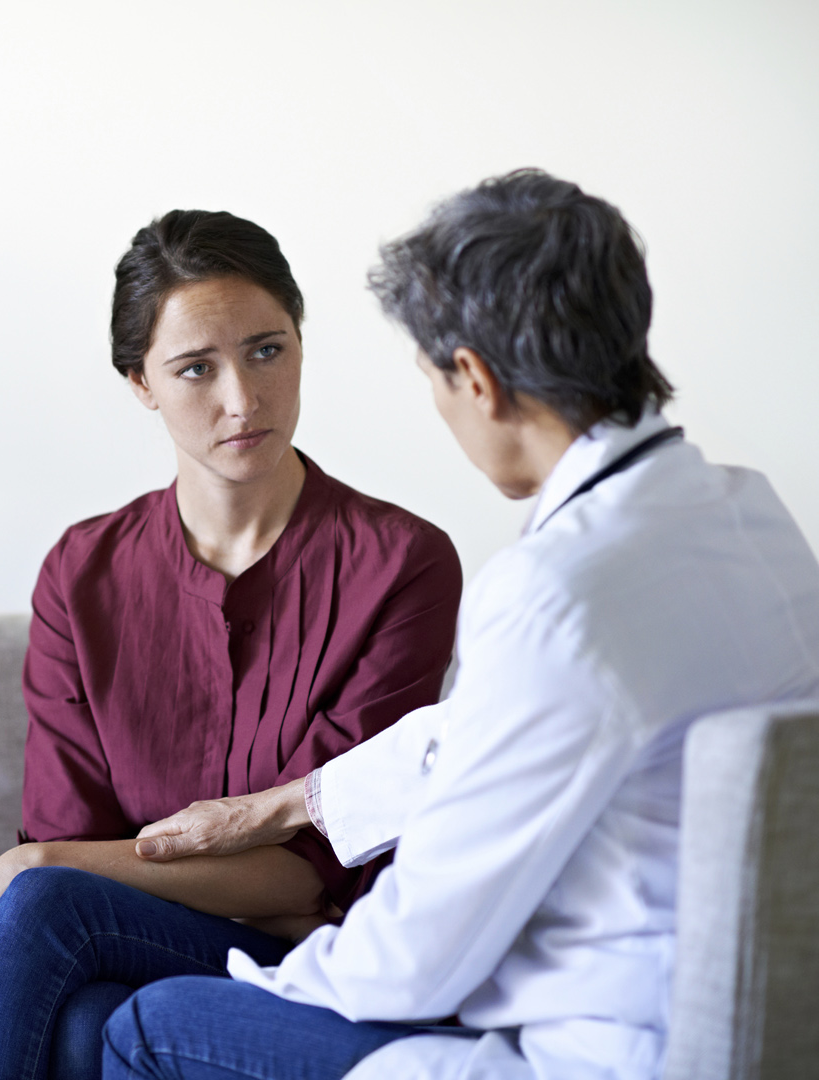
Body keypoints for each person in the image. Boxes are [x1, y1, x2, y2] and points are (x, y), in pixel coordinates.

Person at [106, 169, 819, 1080]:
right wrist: (293, 801)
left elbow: (415, 957)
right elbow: (511, 722)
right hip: (740, 1026)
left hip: (591, 1050)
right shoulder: (744, 516)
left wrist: (271, 973)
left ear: (474, 378)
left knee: (148, 1025)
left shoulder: (556, 595)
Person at [0, 210, 464, 1079]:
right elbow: (80, 836)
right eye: (196, 368)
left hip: (319, 966)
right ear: (141, 383)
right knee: (86, 1019)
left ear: (301, 343)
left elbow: (311, 871)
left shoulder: (402, 564)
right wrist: (70, 863)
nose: (242, 399)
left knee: (45, 904)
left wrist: (41, 862)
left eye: (267, 351)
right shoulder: (82, 573)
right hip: (120, 946)